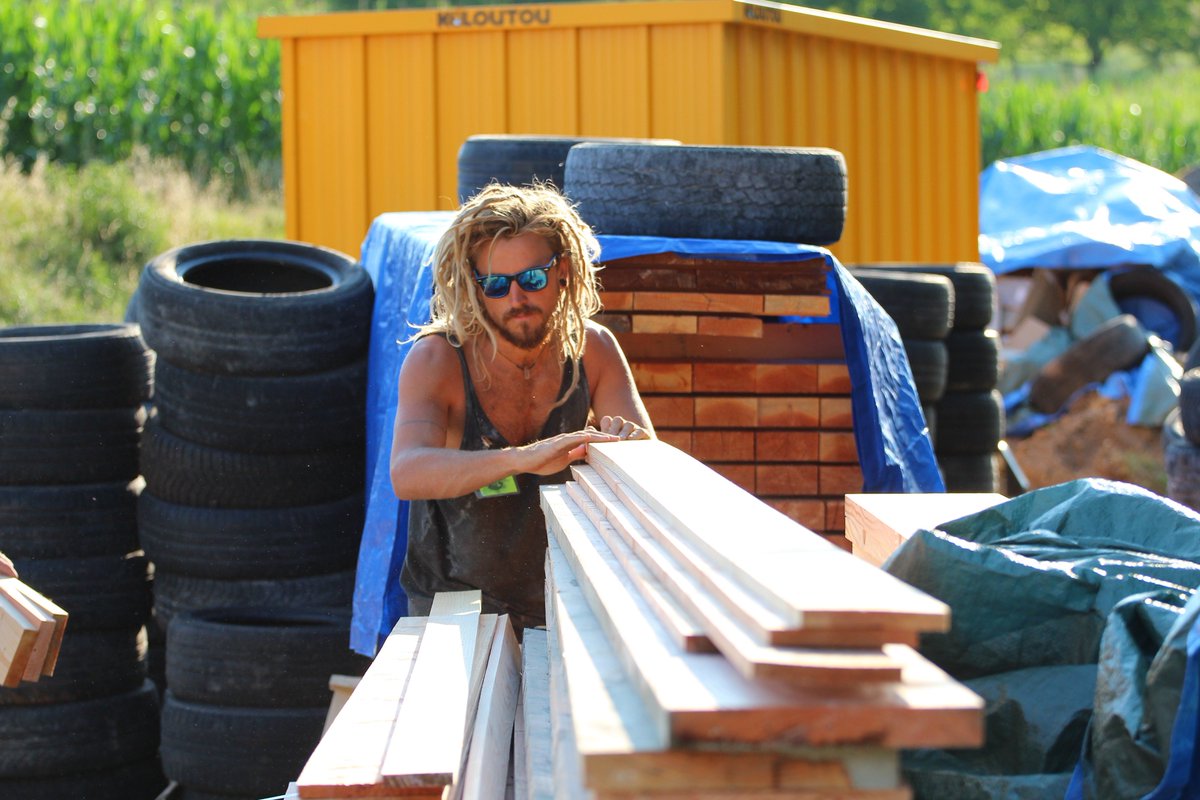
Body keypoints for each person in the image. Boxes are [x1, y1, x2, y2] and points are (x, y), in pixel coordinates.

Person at [389, 183, 654, 631]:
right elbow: (407, 471)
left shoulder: (594, 351)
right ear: (473, 285)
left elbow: (648, 464)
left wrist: (629, 448)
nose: (516, 300)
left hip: (561, 601)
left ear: (563, 271)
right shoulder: (437, 359)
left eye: (532, 279)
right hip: (455, 608)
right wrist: (525, 459)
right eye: (495, 284)